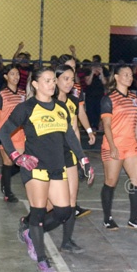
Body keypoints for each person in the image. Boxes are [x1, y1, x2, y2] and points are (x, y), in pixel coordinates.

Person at [0, 67, 92, 272]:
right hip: (35, 168)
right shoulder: (26, 108)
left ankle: (30, 232)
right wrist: (16, 157)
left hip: (58, 167)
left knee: (64, 211)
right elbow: (2, 131)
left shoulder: (61, 108)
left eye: (52, 81)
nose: (52, 84)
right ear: (35, 84)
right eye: (47, 81)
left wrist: (83, 159)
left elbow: (70, 137)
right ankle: (42, 259)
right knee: (38, 214)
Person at [48, 64, 94, 252]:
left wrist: (80, 156)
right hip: (50, 156)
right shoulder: (46, 101)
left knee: (72, 200)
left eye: (71, 79)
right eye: (65, 78)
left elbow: (74, 129)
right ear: (56, 80)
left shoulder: (73, 102)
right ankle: (29, 225)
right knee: (50, 204)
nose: (69, 82)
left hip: (68, 155)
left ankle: (67, 241)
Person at [99, 64, 137, 231]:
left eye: (130, 75)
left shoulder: (133, 97)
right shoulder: (109, 99)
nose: (129, 77)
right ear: (117, 77)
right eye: (125, 74)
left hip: (131, 146)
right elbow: (106, 125)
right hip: (113, 146)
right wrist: (112, 146)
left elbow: (135, 123)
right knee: (110, 182)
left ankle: (134, 219)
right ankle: (107, 218)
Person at [0, 64, 25, 203]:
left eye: (17, 74)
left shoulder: (23, 94)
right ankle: (7, 192)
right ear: (6, 76)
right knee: (8, 161)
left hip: (20, 133)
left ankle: (4, 175)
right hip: (5, 133)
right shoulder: (1, 94)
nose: (15, 77)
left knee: (20, 162)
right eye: (12, 74)